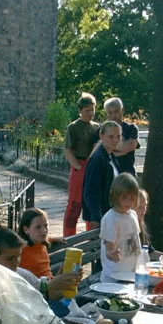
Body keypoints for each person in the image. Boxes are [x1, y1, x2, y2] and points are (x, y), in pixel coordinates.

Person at [0, 228, 82, 324]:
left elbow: (47, 295)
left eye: (18, 256)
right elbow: (19, 314)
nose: (16, 262)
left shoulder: (21, 274)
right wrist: (52, 287)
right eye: (10, 258)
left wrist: (65, 284)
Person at [63, 93, 100, 236]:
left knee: (91, 202)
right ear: (80, 110)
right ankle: (68, 237)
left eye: (92, 110)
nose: (91, 113)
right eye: (87, 110)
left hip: (93, 166)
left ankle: (91, 236)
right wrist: (78, 168)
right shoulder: (73, 127)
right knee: (75, 203)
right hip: (79, 165)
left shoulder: (97, 127)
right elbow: (67, 149)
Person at [18, 208, 83, 284]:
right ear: (26, 229)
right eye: (38, 227)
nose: (44, 230)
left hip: (52, 284)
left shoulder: (41, 241)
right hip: (39, 290)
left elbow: (46, 238)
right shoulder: (20, 249)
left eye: (46, 226)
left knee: (74, 273)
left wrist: (53, 239)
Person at [99, 173, 141, 283]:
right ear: (116, 196)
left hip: (131, 272)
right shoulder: (111, 219)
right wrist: (112, 255)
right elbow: (109, 250)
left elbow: (135, 239)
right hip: (114, 276)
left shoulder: (132, 215)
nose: (128, 201)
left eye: (132, 198)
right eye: (124, 197)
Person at [82, 120, 122, 229]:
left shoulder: (110, 155)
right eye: (111, 136)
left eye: (118, 136)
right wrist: (96, 218)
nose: (115, 140)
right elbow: (90, 192)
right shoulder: (97, 159)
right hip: (101, 217)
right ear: (101, 136)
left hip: (110, 213)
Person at [101, 97, 140, 176]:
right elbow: (98, 152)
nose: (113, 115)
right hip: (106, 175)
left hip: (127, 174)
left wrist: (109, 148)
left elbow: (129, 147)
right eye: (110, 112)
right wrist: (122, 150)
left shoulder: (131, 128)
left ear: (122, 110)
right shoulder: (100, 130)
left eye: (116, 112)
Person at [135, 189, 163, 262]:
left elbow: (150, 252)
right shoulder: (127, 227)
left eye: (145, 206)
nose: (144, 210)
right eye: (140, 207)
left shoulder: (142, 225)